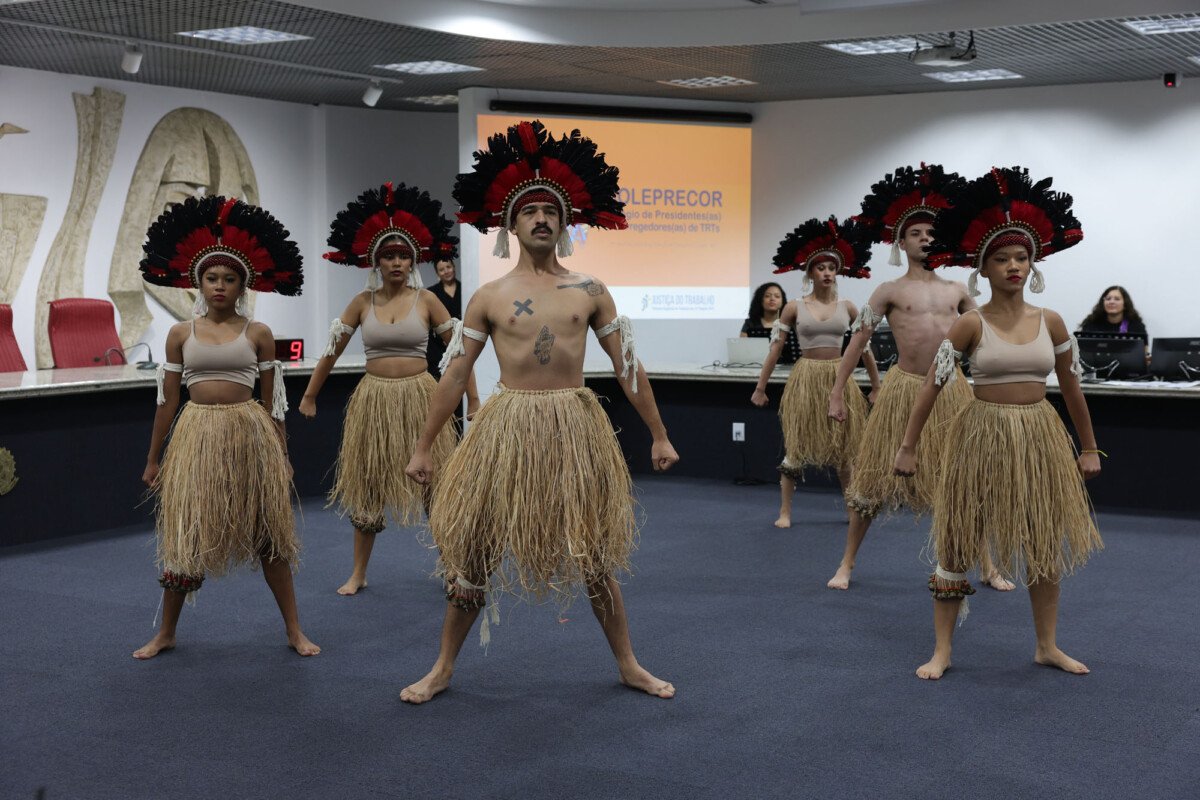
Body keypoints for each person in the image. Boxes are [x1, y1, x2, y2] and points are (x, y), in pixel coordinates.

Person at [401, 120, 678, 703]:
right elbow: (455, 374)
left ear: (566, 222)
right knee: (476, 548)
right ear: (511, 224)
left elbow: (627, 366)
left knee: (594, 552)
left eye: (550, 210)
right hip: (507, 430)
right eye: (529, 211)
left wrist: (658, 433)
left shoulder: (590, 289)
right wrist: (424, 446)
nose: (541, 218)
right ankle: (443, 667)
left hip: (574, 428)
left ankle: (629, 664)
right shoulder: (489, 296)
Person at [894, 166, 1103, 679]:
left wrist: (1089, 447)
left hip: (1040, 435)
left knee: (1044, 539)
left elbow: (1072, 389)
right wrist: (908, 446)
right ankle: (942, 650)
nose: (1014, 266)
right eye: (1002, 258)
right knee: (958, 539)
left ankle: (1047, 646)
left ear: (1032, 265)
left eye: (1021, 257)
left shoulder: (1051, 321)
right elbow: (932, 386)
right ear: (982, 270)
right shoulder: (970, 323)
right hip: (981, 434)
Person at [133, 195, 319, 659]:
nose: (220, 286)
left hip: (249, 436)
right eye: (212, 278)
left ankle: (294, 630)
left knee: (270, 535)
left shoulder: (258, 334)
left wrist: (283, 456)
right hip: (196, 437)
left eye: (229, 279)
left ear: (242, 285)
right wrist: (154, 458)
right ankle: (166, 632)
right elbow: (167, 402)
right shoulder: (180, 334)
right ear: (198, 282)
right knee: (186, 535)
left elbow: (274, 404)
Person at [826, 164, 1014, 592]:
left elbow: (988, 339)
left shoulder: (958, 291)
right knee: (871, 481)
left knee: (966, 482)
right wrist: (837, 392)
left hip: (953, 393)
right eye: (916, 233)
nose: (926, 239)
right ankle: (847, 563)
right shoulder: (888, 291)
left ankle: (987, 566)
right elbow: (857, 342)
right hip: (904, 390)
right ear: (901, 242)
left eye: (932, 233)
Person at [299, 182, 478, 596]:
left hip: (421, 398)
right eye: (388, 256)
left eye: (403, 256)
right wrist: (309, 394)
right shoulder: (362, 302)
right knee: (368, 488)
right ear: (375, 261)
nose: (396, 262)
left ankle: (451, 566)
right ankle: (359, 572)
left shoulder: (427, 300)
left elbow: (459, 352)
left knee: (435, 486)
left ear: (413, 260)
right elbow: (331, 350)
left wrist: (473, 397)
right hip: (374, 401)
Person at [750, 217, 879, 528]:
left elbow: (864, 350)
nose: (827, 272)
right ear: (810, 273)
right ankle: (785, 511)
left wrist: (876, 385)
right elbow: (775, 350)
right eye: (820, 268)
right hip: (805, 379)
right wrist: (760, 387)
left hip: (839, 378)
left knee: (844, 450)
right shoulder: (793, 307)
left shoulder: (849, 307)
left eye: (831, 268)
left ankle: (851, 509)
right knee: (795, 448)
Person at [741, 282, 799, 363]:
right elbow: (742, 351)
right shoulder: (750, 323)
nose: (772, 299)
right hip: (757, 368)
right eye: (767, 296)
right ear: (760, 300)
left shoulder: (792, 323)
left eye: (777, 296)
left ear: (782, 301)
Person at [426, 257, 462, 379]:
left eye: (448, 267)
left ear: (454, 267)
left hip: (463, 343)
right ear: (437, 273)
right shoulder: (431, 293)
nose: (446, 271)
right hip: (437, 348)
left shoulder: (466, 289)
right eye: (441, 270)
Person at [1078, 285, 1147, 336]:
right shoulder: (1091, 324)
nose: (1111, 302)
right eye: (1108, 299)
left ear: (1125, 304)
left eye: (1117, 299)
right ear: (1103, 303)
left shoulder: (1136, 326)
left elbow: (1143, 350)